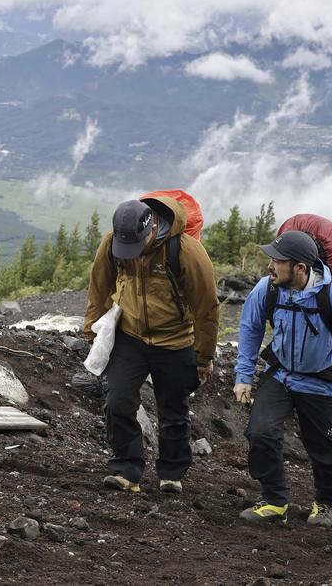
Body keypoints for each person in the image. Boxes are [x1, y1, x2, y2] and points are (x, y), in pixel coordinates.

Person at [234, 230, 332, 527]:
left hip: (321, 381)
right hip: (279, 375)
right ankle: (275, 501)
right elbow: (251, 328)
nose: (270, 266)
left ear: (300, 268)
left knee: (322, 447)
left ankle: (325, 503)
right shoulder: (267, 289)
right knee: (260, 433)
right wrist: (243, 375)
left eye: (277, 261)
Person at [83, 196, 219, 493]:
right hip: (129, 335)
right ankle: (126, 470)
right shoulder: (112, 244)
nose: (131, 253)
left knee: (173, 410)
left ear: (152, 228)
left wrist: (203, 355)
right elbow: (99, 287)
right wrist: (92, 333)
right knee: (118, 401)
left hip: (175, 340)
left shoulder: (185, 251)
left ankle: (171, 473)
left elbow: (206, 307)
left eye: (137, 246)